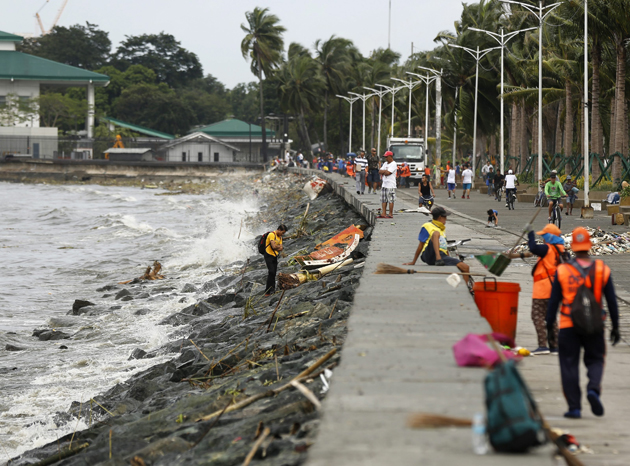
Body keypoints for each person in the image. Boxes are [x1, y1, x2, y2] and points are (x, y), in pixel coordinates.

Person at [547, 227, 620, 419]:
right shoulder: (602, 269)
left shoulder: (563, 270)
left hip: (568, 324)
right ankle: (593, 389)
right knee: (596, 359)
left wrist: (549, 328)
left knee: (569, 364)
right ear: (589, 246)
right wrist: (616, 327)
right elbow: (611, 301)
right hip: (594, 325)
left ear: (573, 246)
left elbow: (553, 303)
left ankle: (574, 408)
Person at [403, 206, 471, 284]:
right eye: (445, 217)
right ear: (440, 217)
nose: (446, 219)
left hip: (441, 255)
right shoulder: (427, 226)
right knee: (436, 233)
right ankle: (438, 258)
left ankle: (465, 288)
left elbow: (444, 246)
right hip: (429, 254)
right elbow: (421, 245)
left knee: (465, 267)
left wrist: (448, 257)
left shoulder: (442, 229)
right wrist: (413, 261)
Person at [526, 224, 565, 355]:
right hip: (555, 289)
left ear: (550, 237)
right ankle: (555, 346)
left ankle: (543, 345)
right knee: (551, 317)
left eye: (544, 236)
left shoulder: (547, 249)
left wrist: (530, 233)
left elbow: (533, 248)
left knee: (537, 316)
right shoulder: (561, 250)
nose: (543, 239)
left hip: (542, 289)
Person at [264, 225, 288, 296]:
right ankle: (267, 291)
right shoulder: (272, 235)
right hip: (268, 255)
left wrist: (276, 247)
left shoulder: (279, 237)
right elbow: (274, 246)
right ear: (279, 230)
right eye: (282, 233)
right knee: (271, 271)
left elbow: (281, 248)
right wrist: (277, 247)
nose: (282, 234)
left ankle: (272, 289)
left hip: (275, 256)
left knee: (274, 272)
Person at [378, 151, 397, 219]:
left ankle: (390, 214)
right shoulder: (385, 163)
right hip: (384, 184)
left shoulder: (393, 164)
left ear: (390, 157)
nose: (386, 158)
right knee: (383, 199)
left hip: (391, 185)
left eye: (386, 157)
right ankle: (384, 213)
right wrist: (384, 172)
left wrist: (384, 172)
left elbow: (388, 173)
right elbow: (379, 171)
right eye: (385, 157)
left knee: (390, 200)